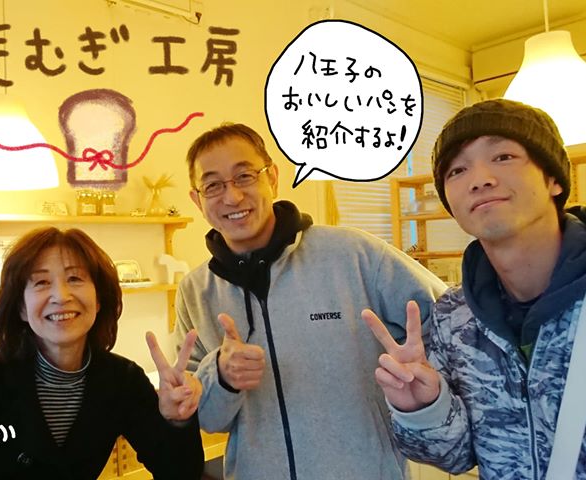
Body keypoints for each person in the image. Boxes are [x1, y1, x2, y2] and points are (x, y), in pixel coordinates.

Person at [362, 99, 586, 479]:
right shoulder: (454, 316)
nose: (479, 179)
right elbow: (457, 457)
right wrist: (423, 407)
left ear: (553, 179)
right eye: (457, 170)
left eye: (503, 157)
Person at [174, 123, 446, 479]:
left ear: (272, 177)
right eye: (213, 185)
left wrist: (427, 393)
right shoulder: (195, 291)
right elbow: (209, 419)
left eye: (244, 176)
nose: (233, 197)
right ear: (197, 200)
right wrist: (222, 378)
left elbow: (450, 321)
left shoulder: (354, 255)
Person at [0, 227, 204, 479]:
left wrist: (176, 421)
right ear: (21, 308)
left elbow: (180, 474)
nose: (61, 296)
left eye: (75, 278)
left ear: (98, 299)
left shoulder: (122, 380)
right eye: (41, 282)